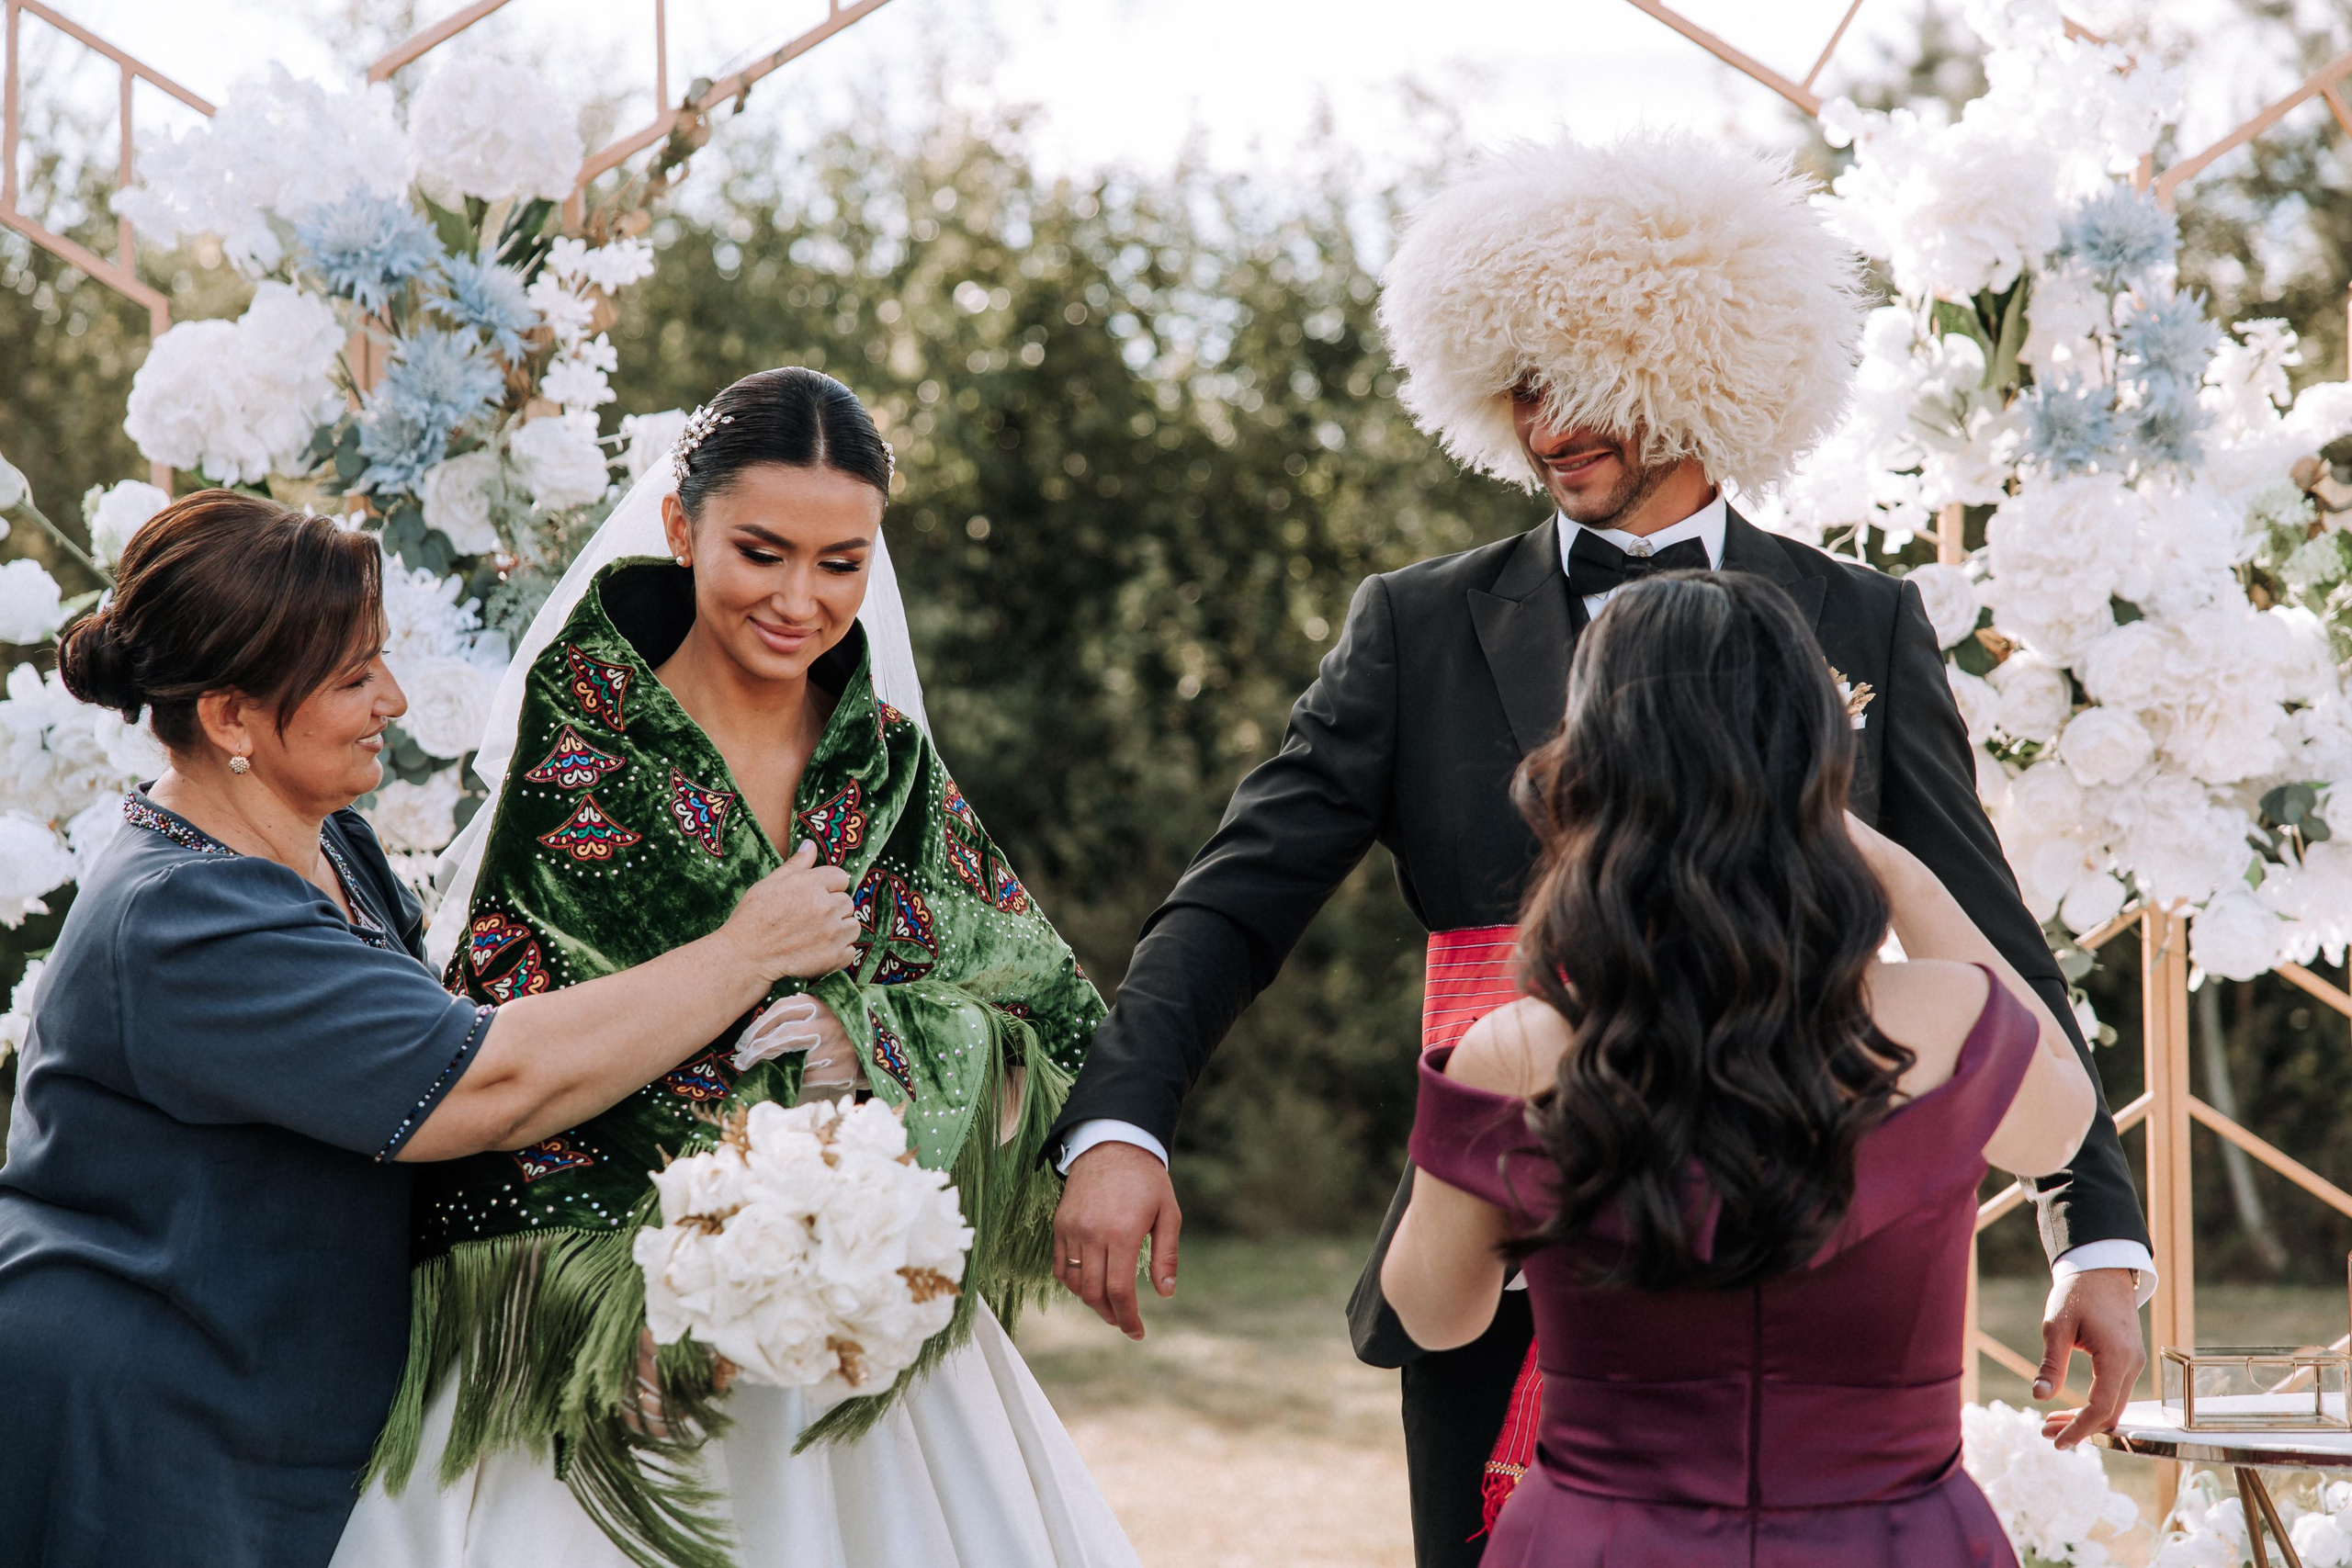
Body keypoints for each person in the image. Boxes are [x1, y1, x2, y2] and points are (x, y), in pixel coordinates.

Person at [1047, 129, 2154, 1567]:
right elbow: (1235, 902)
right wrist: (1121, 1123)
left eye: (1580, 381)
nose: (1544, 422)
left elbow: (1989, 940)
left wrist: (2096, 1236)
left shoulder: (1860, 618)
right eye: (1517, 381)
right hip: (1496, 1241)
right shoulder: (1415, 625)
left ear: (1700, 368)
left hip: (1821, 1262)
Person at [334, 368, 1138, 1568]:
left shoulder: (888, 768)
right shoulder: (584, 744)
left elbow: (1045, 1013)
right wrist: (619, 1302)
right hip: (606, 1328)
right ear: (681, 526)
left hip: (849, 1315)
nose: (800, 600)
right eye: (762, 552)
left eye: (840, 563)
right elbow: (512, 1041)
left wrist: (873, 1039)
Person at [0, 491, 861, 1568]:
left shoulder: (329, 845)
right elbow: (483, 1085)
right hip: (144, 1426)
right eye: (353, 678)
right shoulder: (183, 917)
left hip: (248, 1395)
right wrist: (744, 953)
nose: (393, 700)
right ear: (229, 720)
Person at [1379, 570, 2097, 1566]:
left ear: (1591, 774)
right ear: (1820, 767)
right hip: (1891, 1543)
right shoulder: (1949, 1018)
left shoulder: (1522, 1051)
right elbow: (2062, 1123)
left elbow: (1435, 1315)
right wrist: (1895, 862)